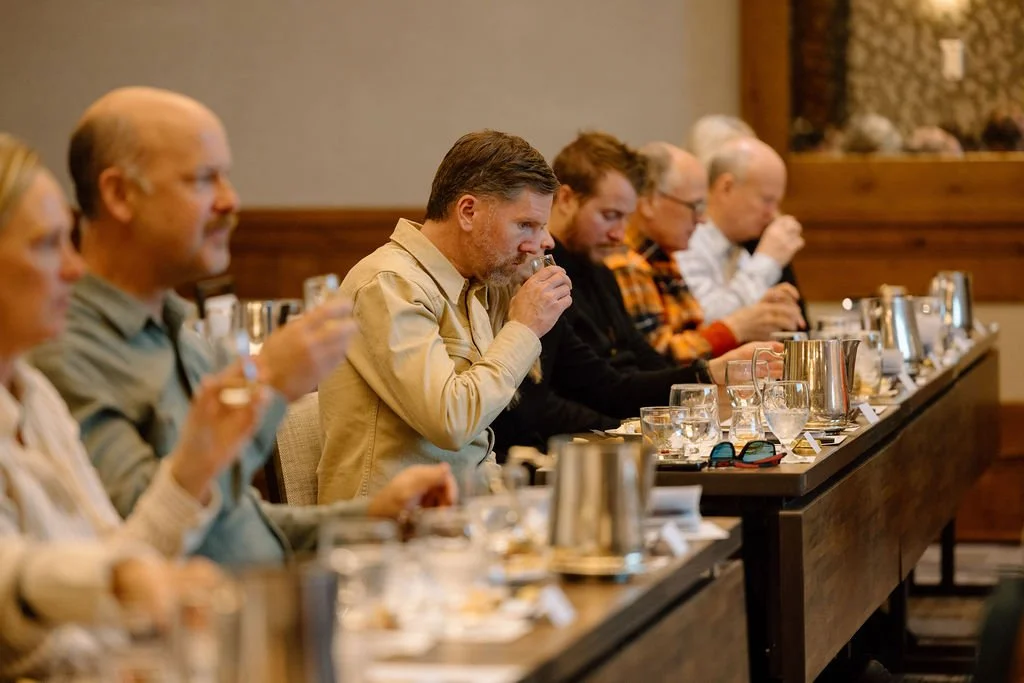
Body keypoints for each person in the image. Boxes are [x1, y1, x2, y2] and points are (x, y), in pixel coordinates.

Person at [31, 87, 456, 567]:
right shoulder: (67, 354)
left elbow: (237, 527)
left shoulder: (181, 332)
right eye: (203, 180)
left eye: (226, 177)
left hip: (277, 595)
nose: (230, 201)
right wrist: (267, 386)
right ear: (119, 194)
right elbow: (147, 541)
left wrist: (374, 516)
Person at [0, 132, 260, 679]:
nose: (74, 268)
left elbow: (116, 553)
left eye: (70, 241)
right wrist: (116, 581)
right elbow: (15, 583)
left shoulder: (32, 393)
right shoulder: (66, 363)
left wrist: (193, 467)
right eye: (47, 244)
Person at [318, 130, 572, 503]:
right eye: (525, 225)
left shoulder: (474, 284)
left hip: (468, 506)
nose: (541, 243)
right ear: (468, 211)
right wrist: (523, 328)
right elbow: (451, 422)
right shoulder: (390, 283)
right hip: (394, 523)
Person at [604, 141, 804, 364]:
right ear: (649, 202)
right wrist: (736, 327)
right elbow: (657, 361)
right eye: (694, 206)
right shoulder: (628, 263)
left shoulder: (663, 257)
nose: (701, 219)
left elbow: (695, 330)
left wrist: (759, 314)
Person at [676, 137, 805, 323]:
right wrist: (767, 260)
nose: (772, 214)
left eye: (776, 203)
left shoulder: (741, 247)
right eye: (767, 200)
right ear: (727, 187)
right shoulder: (687, 240)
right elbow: (704, 321)